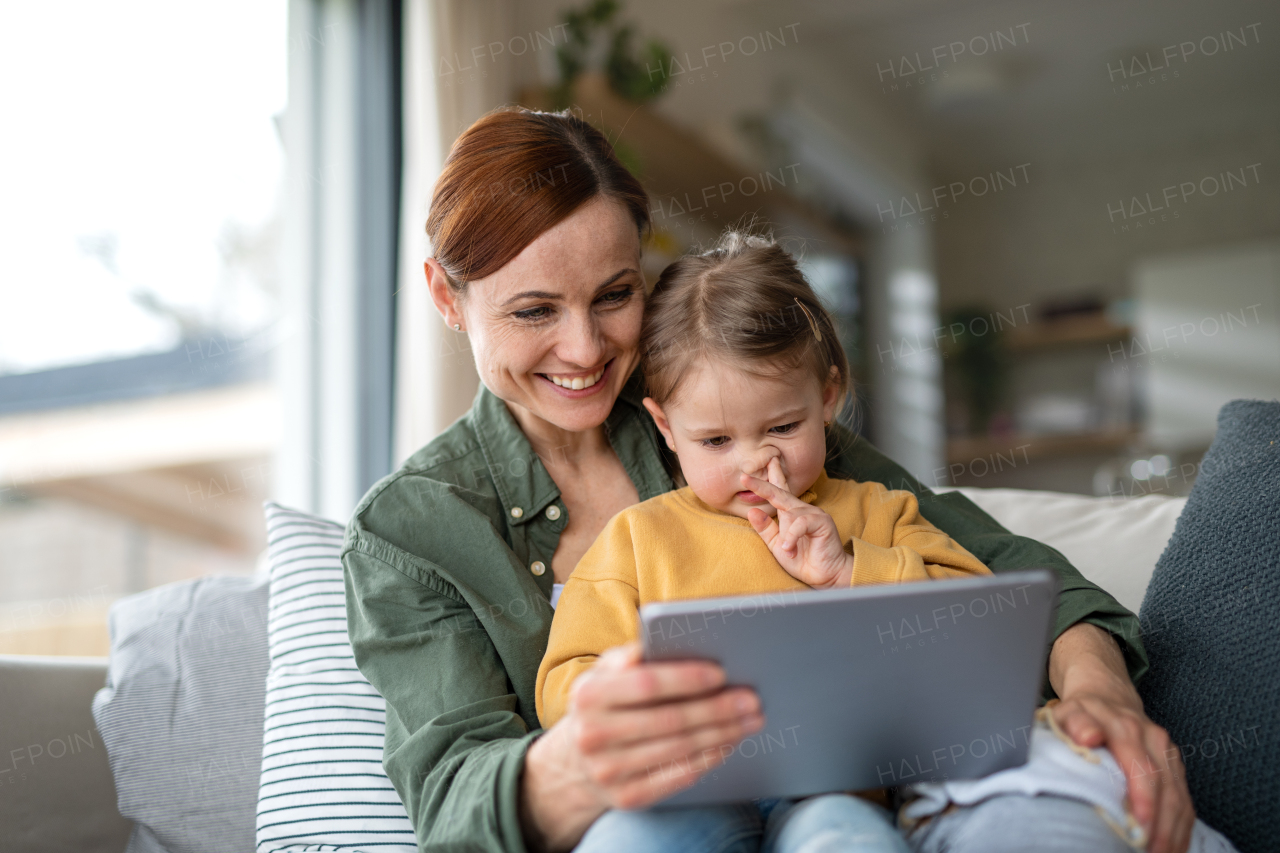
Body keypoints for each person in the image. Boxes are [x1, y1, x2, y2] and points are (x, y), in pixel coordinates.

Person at [341, 106, 1194, 853]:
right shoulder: (412, 530)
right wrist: (580, 750)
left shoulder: (733, 413)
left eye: (615, 294)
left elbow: (1016, 581)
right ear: (447, 299)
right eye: (533, 310)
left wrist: (1102, 694)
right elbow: (453, 796)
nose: (586, 348)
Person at [535, 232, 993, 852]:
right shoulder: (639, 540)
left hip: (837, 792)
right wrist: (620, 693)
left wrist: (849, 570)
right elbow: (565, 682)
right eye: (716, 442)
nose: (755, 464)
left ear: (828, 397)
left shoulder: (878, 513)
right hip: (685, 794)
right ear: (667, 428)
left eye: (782, 427)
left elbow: (986, 633)